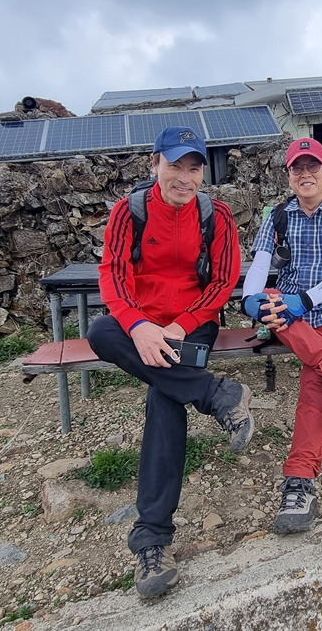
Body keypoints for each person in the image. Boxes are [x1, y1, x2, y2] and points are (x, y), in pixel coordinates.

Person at [86, 125, 254, 599]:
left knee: (164, 395)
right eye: (175, 165)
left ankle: (151, 540)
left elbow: (223, 281)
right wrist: (139, 326)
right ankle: (216, 394)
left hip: (191, 325)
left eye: (194, 168)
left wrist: (182, 324)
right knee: (100, 331)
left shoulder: (216, 215)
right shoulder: (129, 211)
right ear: (154, 163)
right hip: (141, 321)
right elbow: (113, 274)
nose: (185, 177)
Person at [240, 137, 322, 535]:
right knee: (273, 303)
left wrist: (306, 300)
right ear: (289, 176)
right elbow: (259, 267)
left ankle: (300, 481)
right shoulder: (278, 216)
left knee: (314, 386)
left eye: (313, 166)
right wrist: (250, 300)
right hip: (287, 313)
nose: (305, 173)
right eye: (297, 167)